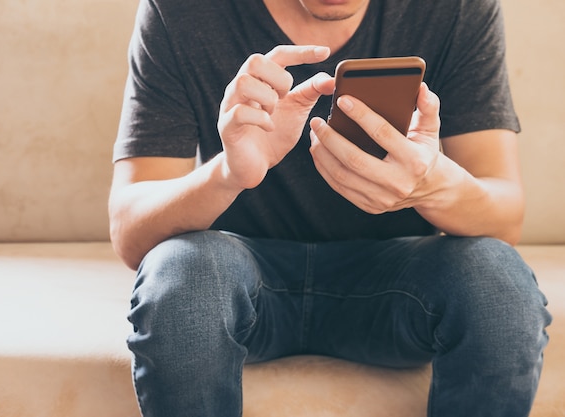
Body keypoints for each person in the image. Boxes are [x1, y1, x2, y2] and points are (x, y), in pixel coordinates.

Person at [108, 0, 552, 415]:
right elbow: (131, 231)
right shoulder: (181, 11)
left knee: (497, 283)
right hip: (237, 277)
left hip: (401, 283)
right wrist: (229, 174)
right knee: (182, 273)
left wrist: (432, 186)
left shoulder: (454, 8)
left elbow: (504, 215)